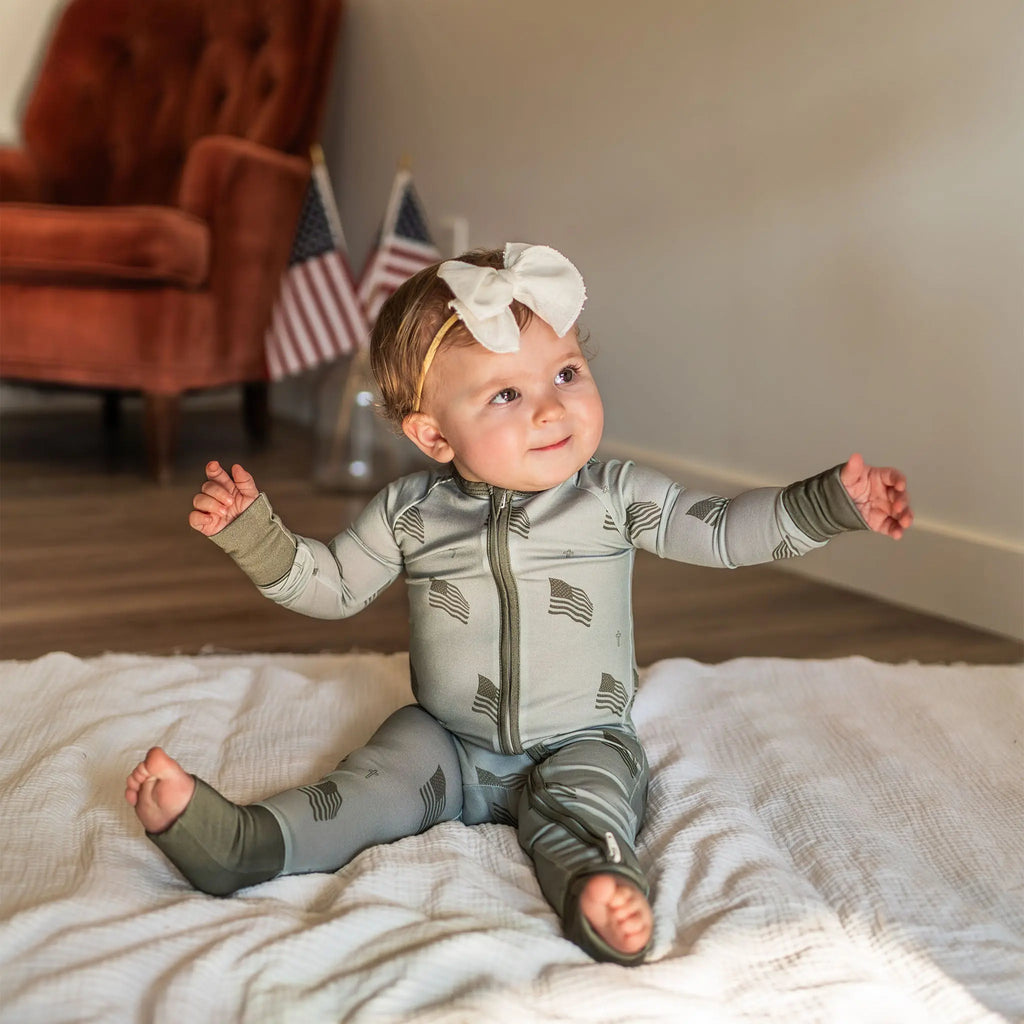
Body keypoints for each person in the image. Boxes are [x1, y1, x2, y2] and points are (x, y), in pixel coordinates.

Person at [126, 243, 913, 965]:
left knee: (587, 805)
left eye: (566, 373)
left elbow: (721, 531)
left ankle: (597, 888)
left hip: (582, 735)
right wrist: (256, 535)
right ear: (434, 436)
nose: (550, 407)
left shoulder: (613, 495)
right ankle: (250, 842)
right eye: (507, 392)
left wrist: (828, 505)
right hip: (448, 741)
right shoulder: (411, 510)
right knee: (368, 785)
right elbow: (329, 586)